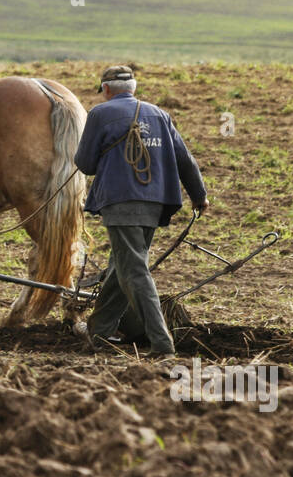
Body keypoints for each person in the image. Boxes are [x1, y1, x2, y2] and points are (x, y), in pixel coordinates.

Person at [73, 65, 209, 355]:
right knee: (120, 267)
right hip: (155, 201)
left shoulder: (100, 114)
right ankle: (98, 333)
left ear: (106, 90)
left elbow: (85, 163)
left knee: (133, 271)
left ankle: (161, 343)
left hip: (121, 202)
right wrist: (199, 195)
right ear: (133, 88)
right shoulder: (159, 114)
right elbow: (184, 158)